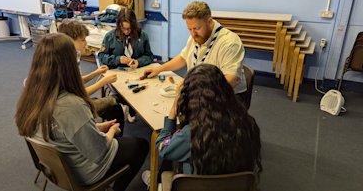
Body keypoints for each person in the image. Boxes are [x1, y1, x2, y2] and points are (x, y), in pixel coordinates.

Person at [15, 33, 148, 191]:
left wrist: (97, 128)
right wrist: (111, 130)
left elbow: (62, 131)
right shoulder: (71, 105)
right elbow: (100, 151)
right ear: (69, 64)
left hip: (57, 166)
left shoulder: (32, 93)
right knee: (140, 145)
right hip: (83, 172)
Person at [143, 64, 262, 190]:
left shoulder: (191, 133)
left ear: (193, 100)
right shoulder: (247, 123)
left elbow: (163, 146)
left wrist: (172, 112)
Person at [145, 1, 248, 102]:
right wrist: (159, 69)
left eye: (197, 28)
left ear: (209, 22)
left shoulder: (229, 42)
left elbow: (232, 79)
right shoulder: (196, 36)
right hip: (200, 90)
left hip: (227, 96)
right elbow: (183, 58)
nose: (193, 34)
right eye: (189, 29)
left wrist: (198, 91)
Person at [58, 21, 135, 125]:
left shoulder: (71, 56)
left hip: (75, 102)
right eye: (83, 40)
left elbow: (76, 82)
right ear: (70, 41)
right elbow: (80, 93)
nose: (86, 43)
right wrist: (102, 82)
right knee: (115, 105)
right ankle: (112, 135)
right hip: (73, 107)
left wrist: (96, 73)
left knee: (116, 102)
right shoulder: (65, 64)